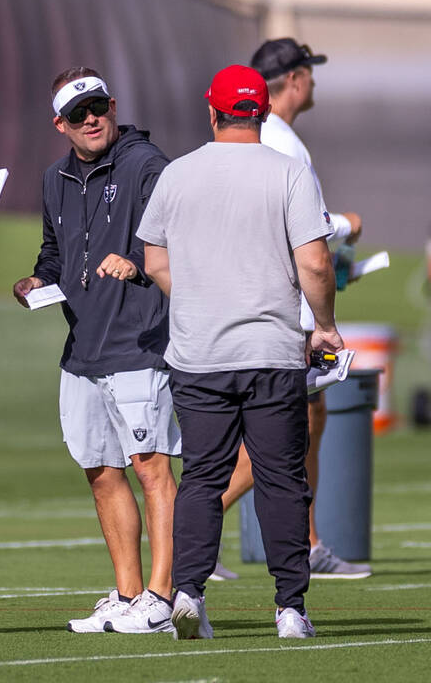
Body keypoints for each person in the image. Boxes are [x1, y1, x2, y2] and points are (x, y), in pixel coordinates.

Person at [138, 64, 341, 640]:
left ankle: (188, 593)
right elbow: (316, 262)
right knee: (281, 479)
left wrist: (201, 297)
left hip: (199, 352)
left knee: (202, 476)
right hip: (271, 350)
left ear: (212, 111)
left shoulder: (176, 174)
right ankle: (290, 609)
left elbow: (153, 260)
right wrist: (323, 325)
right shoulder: (289, 172)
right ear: (264, 112)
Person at [12, 68, 179, 634]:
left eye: (99, 106)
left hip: (139, 340)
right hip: (83, 347)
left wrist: (135, 260)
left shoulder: (145, 163)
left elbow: (171, 233)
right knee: (101, 470)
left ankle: (162, 596)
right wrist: (37, 280)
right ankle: (130, 593)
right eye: (79, 113)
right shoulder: (55, 177)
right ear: (60, 124)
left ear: (112, 106)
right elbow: (54, 252)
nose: (92, 118)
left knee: (151, 468)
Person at [212, 39, 369, 581]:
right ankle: (194, 527)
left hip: (265, 306)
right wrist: (346, 224)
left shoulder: (268, 140)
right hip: (284, 312)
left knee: (306, 424)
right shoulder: (280, 144)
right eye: (311, 74)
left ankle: (307, 541)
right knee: (282, 431)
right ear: (295, 79)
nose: (315, 84)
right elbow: (301, 231)